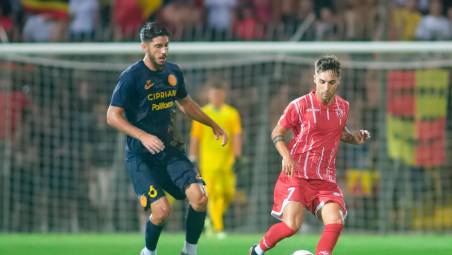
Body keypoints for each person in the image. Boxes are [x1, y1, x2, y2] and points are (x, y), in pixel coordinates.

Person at [106, 22, 228, 255]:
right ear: (144, 47)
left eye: (166, 46)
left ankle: (189, 251)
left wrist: (212, 124)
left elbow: (185, 103)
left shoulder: (173, 72)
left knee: (200, 198)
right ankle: (148, 252)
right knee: (161, 211)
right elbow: (112, 115)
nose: (164, 51)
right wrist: (142, 136)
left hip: (170, 150)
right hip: (141, 156)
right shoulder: (131, 77)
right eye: (158, 46)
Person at [249, 55, 370, 255]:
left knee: (336, 221)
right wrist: (286, 156)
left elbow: (339, 133)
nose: (326, 87)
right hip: (297, 175)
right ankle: (257, 250)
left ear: (338, 81)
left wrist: (354, 138)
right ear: (314, 78)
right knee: (291, 226)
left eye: (331, 82)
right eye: (322, 81)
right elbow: (277, 133)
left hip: (325, 179)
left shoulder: (343, 107)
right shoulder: (299, 105)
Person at [189, 80, 242, 238]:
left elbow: (237, 136)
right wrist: (192, 157)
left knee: (228, 193)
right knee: (213, 195)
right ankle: (217, 228)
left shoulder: (232, 113)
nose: (216, 96)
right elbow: (195, 138)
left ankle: (210, 221)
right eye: (213, 93)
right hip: (209, 163)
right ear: (208, 95)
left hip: (227, 163)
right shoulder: (201, 113)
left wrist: (238, 157)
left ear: (224, 94)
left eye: (219, 93)